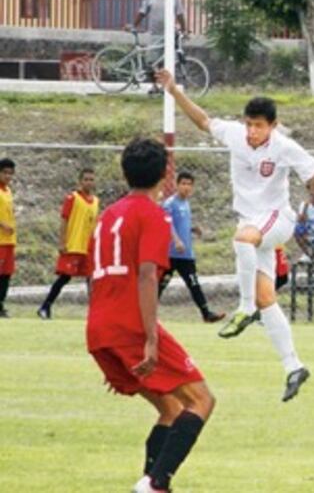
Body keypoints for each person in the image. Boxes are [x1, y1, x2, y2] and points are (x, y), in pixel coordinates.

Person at [156, 68, 314, 401]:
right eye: (249, 124)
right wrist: (174, 91)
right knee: (266, 297)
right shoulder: (234, 135)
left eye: (259, 125)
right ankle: (294, 366)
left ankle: (244, 309)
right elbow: (203, 121)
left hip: (277, 219)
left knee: (243, 238)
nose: (252, 131)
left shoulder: (285, 147)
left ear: (273, 125)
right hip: (252, 223)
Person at [85, 138, 215, 493]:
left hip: (99, 327)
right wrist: (150, 340)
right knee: (201, 400)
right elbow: (146, 275)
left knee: (172, 409)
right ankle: (157, 484)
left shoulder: (107, 216)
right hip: (130, 326)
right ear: (165, 175)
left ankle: (149, 483)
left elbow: (93, 275)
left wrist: (109, 340)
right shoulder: (153, 214)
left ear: (125, 173)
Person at [157, 172, 225, 323]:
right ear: (177, 185)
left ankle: (206, 314)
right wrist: (176, 241)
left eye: (189, 184)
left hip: (185, 254)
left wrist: (192, 229)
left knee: (194, 283)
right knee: (160, 284)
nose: (186, 187)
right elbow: (167, 224)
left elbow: (180, 224)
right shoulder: (170, 204)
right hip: (171, 254)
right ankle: (146, 313)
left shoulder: (186, 203)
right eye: (183, 184)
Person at [37, 168, 100, 320]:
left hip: (88, 247)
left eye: (91, 179)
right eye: (86, 179)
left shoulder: (96, 201)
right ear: (80, 181)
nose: (89, 182)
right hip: (73, 245)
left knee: (91, 279)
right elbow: (64, 220)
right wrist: (62, 242)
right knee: (65, 277)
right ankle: (45, 306)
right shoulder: (72, 198)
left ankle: (95, 312)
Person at [129, 0, 187, 71]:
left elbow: (180, 15)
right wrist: (134, 25)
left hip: (169, 36)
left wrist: (184, 30)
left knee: (168, 62)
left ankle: (163, 79)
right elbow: (142, 13)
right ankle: (154, 80)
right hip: (154, 35)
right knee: (153, 63)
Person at [0, 157, 16, 318]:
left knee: (6, 274)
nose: (8, 176)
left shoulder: (8, 191)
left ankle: (1, 305)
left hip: (9, 240)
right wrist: (2, 224)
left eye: (10, 173)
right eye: (5, 173)